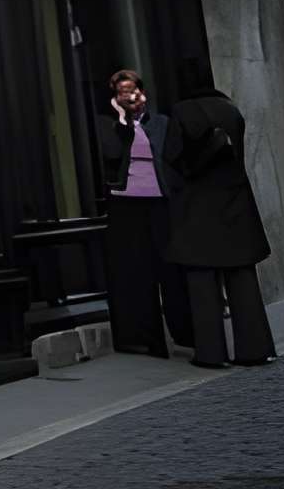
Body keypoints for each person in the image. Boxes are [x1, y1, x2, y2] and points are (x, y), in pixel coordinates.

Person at [162, 57, 273, 366]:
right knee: (242, 279)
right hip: (235, 202)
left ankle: (212, 352)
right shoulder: (231, 110)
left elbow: (172, 157)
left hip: (197, 206)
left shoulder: (182, 112)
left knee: (202, 282)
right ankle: (254, 348)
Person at [94, 66, 179, 354]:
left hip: (160, 200)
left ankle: (183, 331)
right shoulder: (106, 125)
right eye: (121, 92)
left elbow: (171, 160)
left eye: (132, 89)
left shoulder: (161, 123)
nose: (129, 96)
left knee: (170, 268)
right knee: (136, 272)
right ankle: (145, 339)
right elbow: (113, 153)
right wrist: (122, 121)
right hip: (126, 203)